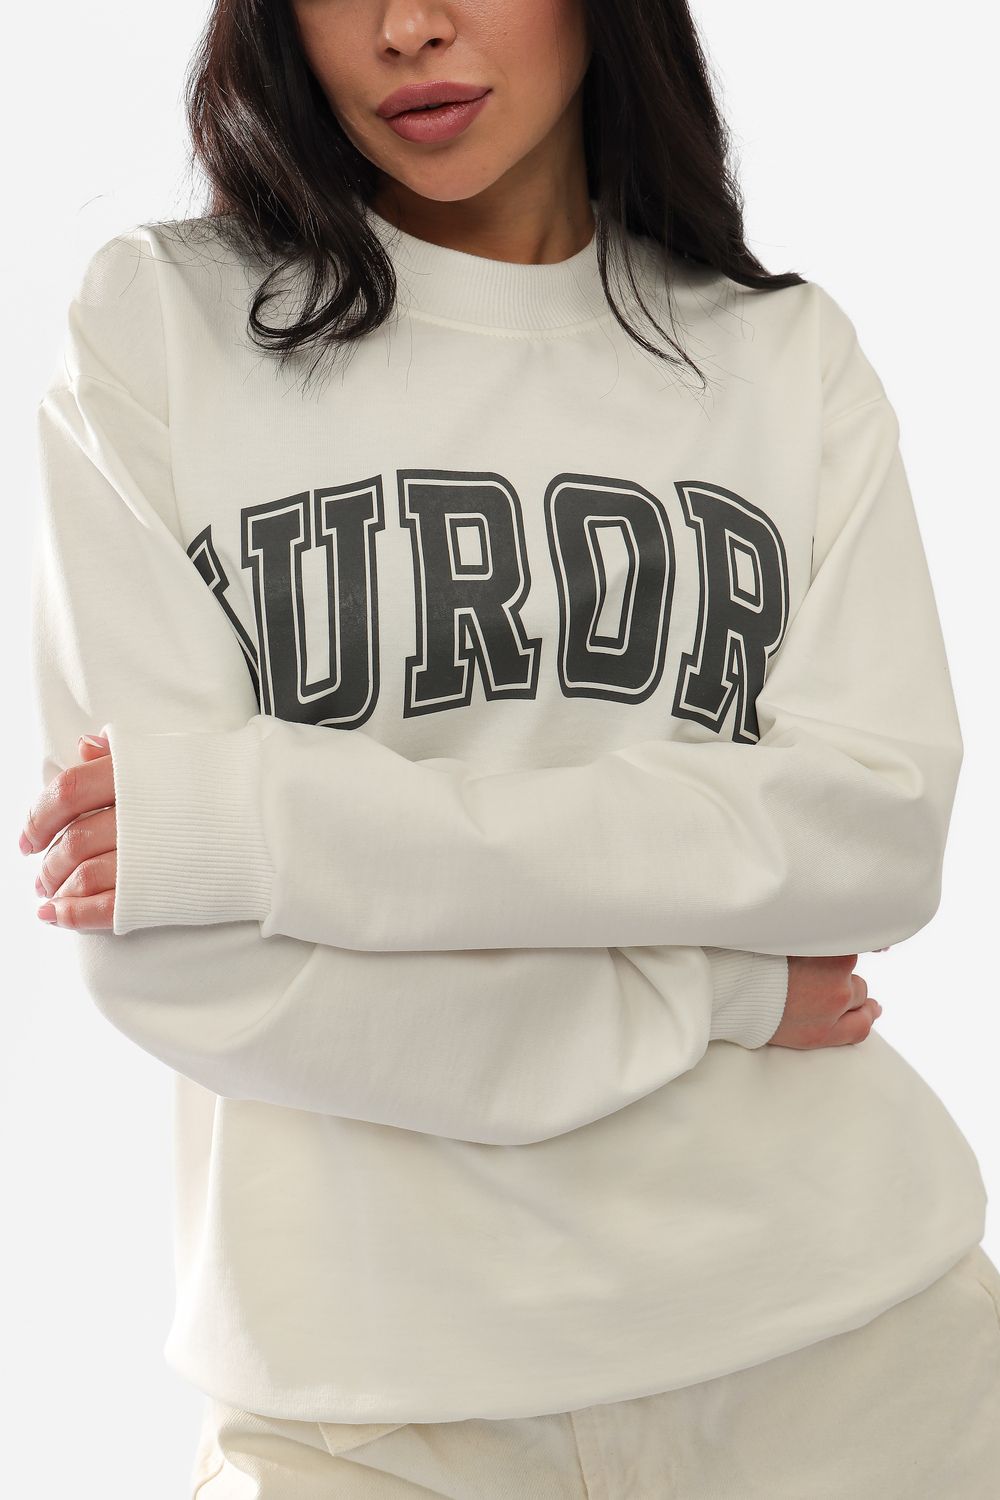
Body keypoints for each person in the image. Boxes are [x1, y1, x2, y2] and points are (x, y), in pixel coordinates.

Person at [20, 0, 1000, 1494]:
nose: (408, 28)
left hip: (858, 1349)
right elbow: (176, 951)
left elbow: (869, 834)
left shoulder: (780, 353)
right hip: (368, 1406)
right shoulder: (162, 326)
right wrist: (723, 984)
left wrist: (274, 825)